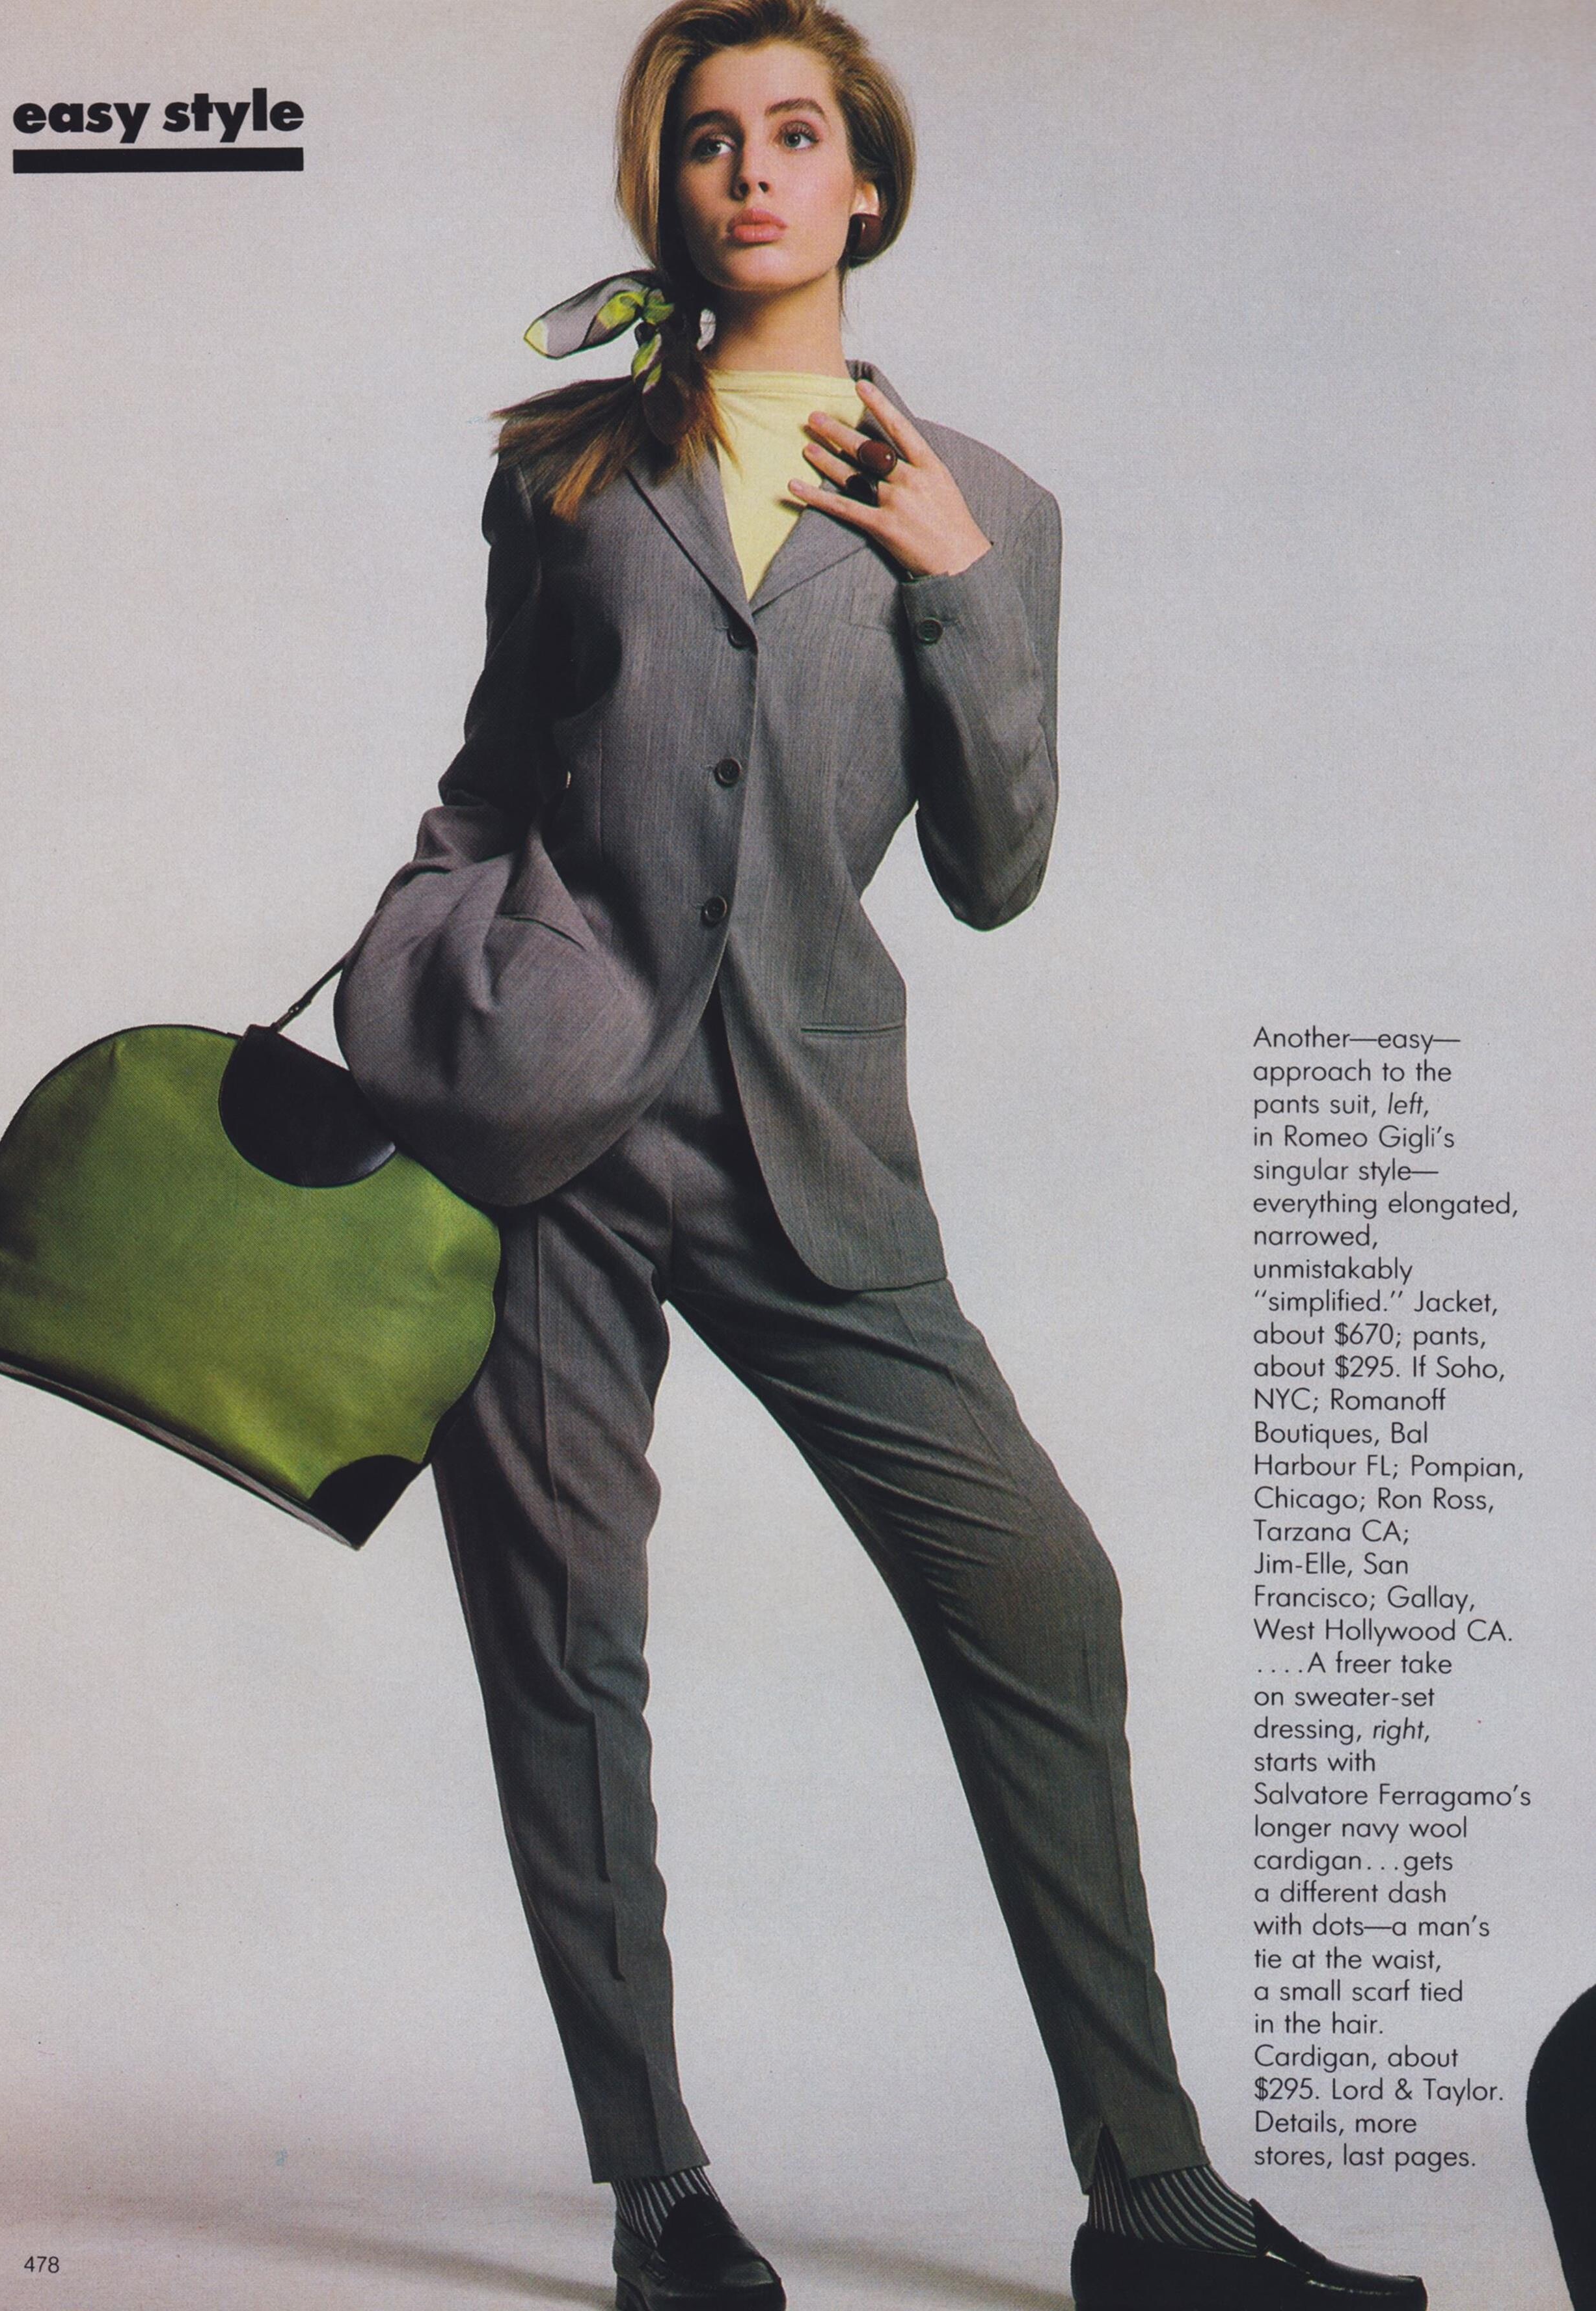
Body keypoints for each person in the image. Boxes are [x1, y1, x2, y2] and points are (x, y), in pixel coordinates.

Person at [336, 4, 1429, 2305]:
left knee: (1043, 1597)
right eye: (708, 140)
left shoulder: (991, 500)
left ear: (868, 185)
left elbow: (999, 872)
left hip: (810, 1142)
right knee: (565, 1645)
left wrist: (952, 582)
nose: (752, 170)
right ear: (672, 192)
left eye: (794, 133)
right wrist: (429, 963)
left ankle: (1150, 2202)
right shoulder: (567, 471)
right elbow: (492, 772)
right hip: (542, 1132)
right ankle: (659, 2196)